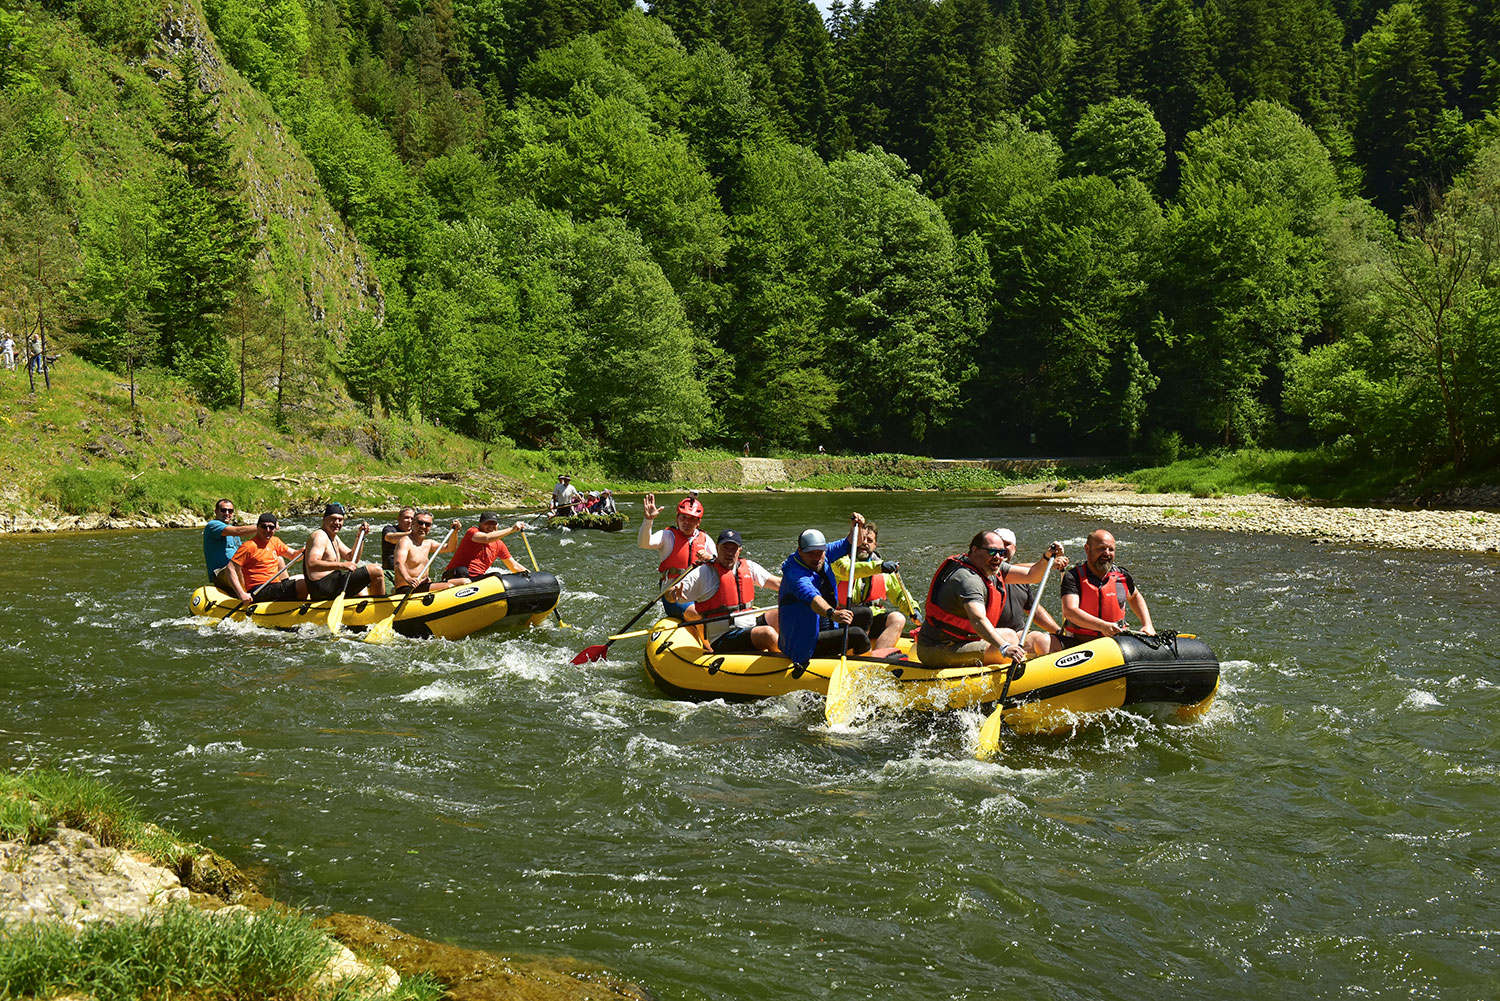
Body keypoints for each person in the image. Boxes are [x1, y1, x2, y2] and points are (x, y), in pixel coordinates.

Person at [915, 531, 1066, 668]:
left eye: (1001, 552)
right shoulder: (968, 580)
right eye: (992, 551)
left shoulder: (992, 568)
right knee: (1008, 641)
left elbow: (1032, 575)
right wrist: (1004, 647)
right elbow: (978, 620)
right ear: (974, 550)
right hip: (940, 648)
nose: (998, 557)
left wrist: (1047, 557)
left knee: (1017, 636)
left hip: (965, 639)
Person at [778, 514, 874, 667]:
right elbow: (813, 598)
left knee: (865, 614)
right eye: (811, 553)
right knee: (857, 635)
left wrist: (857, 527)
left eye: (820, 552)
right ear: (800, 551)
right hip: (805, 643)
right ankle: (866, 669)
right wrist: (833, 614)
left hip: (827, 626)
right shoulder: (795, 574)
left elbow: (848, 542)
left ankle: (852, 657)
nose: (816, 557)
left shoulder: (824, 554)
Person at [670, 529, 782, 654]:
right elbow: (671, 595)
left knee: (783, 614)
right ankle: (786, 664)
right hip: (724, 637)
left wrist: (803, 590)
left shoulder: (749, 567)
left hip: (749, 625)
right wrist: (673, 593)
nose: (729, 553)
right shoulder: (704, 573)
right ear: (717, 548)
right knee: (768, 634)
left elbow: (778, 583)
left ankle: (800, 649)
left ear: (739, 550)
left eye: (733, 549)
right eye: (725, 548)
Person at [829, 521, 917, 650]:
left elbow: (900, 595)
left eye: (869, 540)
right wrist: (879, 568)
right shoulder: (839, 561)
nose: (865, 543)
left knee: (897, 618)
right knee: (865, 614)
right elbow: (848, 571)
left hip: (872, 617)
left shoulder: (883, 568)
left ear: (875, 545)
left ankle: (878, 658)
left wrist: (914, 611)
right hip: (843, 618)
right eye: (862, 539)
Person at [1059, 529, 1154, 647]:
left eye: (1111, 549)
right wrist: (1102, 626)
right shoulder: (1073, 577)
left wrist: (1147, 624)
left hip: (1116, 643)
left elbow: (1134, 596)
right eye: (1101, 548)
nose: (1107, 553)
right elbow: (1070, 611)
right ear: (1087, 549)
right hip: (1080, 642)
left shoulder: (1122, 576)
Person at [638, 492, 715, 618]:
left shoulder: (705, 539)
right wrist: (648, 520)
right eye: (683, 518)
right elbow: (644, 544)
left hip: (700, 593)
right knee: (698, 614)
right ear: (677, 519)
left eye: (691, 519)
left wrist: (710, 558)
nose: (686, 522)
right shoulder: (667, 536)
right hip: (674, 596)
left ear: (698, 522)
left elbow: (720, 565)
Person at [993, 527, 1065, 658]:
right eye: (999, 544)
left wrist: (1059, 631)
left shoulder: (1021, 579)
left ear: (1014, 549)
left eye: (1007, 544)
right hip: (993, 635)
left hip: (1018, 634)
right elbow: (1025, 569)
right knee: (1010, 638)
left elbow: (1034, 610)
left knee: (1045, 641)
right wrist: (1049, 562)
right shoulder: (986, 573)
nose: (1002, 548)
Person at [305, 502, 386, 601]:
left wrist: (360, 537)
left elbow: (352, 558)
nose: (337, 523)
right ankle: (380, 606)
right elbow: (312, 563)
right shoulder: (320, 536)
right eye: (333, 519)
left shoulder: (333, 537)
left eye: (340, 520)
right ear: (324, 518)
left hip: (332, 582)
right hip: (323, 587)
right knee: (376, 570)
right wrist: (341, 565)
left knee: (362, 587)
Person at [225, 513, 307, 602]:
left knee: (306, 579)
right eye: (264, 526)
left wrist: (305, 550)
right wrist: (241, 593)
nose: (267, 530)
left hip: (274, 586)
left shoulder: (275, 541)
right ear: (257, 527)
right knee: (303, 584)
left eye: (271, 527)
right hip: (258, 590)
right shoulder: (249, 546)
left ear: (275, 529)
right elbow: (230, 568)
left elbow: (294, 555)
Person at [441, 512, 527, 580]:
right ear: (480, 524)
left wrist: (532, 575)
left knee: (496, 577)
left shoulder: (499, 544)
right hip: (456, 575)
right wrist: (512, 529)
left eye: (494, 524)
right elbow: (486, 538)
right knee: (462, 571)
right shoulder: (472, 532)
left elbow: (514, 566)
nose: (491, 526)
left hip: (475, 578)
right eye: (488, 523)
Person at [394, 514, 466, 591]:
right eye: (420, 523)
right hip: (408, 587)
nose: (423, 526)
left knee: (464, 581)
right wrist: (408, 579)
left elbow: (450, 548)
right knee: (449, 587)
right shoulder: (405, 541)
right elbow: (398, 563)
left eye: (427, 524)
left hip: (425, 584)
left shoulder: (428, 543)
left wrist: (455, 531)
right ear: (413, 523)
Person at [202, 498, 259, 589]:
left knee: (274, 560)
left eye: (230, 511)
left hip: (237, 570)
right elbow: (238, 531)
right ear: (216, 511)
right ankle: (246, 593)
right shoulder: (213, 525)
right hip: (221, 573)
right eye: (223, 510)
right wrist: (263, 527)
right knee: (236, 566)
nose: (227, 513)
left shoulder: (232, 532)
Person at [380, 507, 416, 590]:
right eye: (406, 518)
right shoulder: (389, 529)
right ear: (399, 518)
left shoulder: (416, 535)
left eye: (412, 519)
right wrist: (412, 534)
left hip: (408, 574)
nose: (409, 521)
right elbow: (390, 538)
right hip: (390, 572)